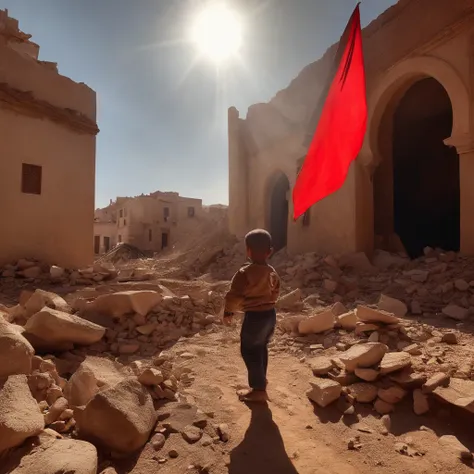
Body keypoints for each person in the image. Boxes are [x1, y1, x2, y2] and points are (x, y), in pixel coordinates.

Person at [222, 229, 281, 402]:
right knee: (261, 348)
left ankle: (258, 390)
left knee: (249, 351)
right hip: (270, 315)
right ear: (269, 252)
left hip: (254, 318)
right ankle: (261, 380)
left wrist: (228, 312)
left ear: (248, 250)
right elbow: (276, 291)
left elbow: (234, 295)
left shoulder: (244, 273)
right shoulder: (272, 272)